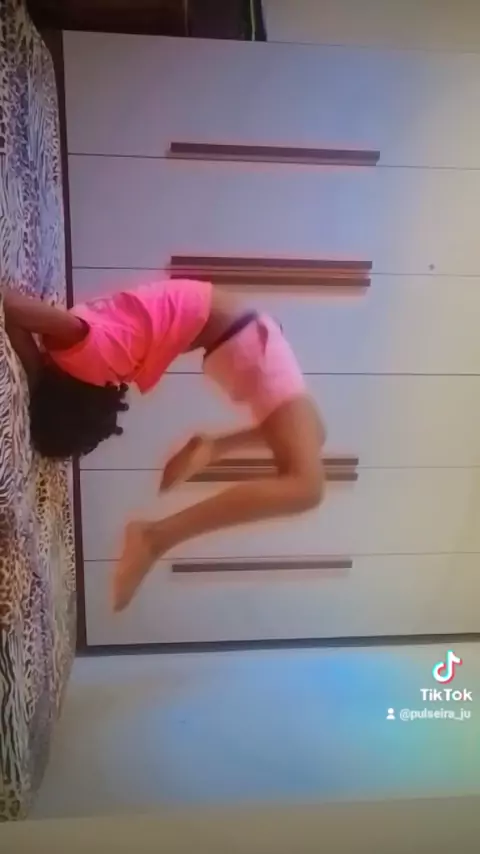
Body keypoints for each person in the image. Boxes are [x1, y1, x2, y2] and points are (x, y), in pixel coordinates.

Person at [1, 279, 326, 611]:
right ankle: (160, 527)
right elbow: (16, 312)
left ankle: (162, 527)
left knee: (312, 452)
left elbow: (8, 304)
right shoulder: (80, 349)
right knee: (307, 482)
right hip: (243, 335)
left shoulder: (89, 347)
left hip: (243, 337)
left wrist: (38, 380)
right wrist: (38, 377)